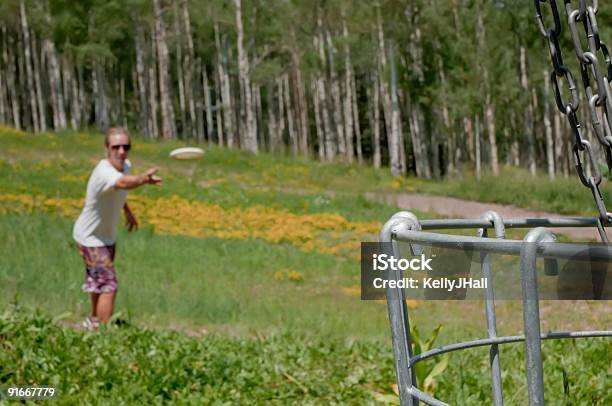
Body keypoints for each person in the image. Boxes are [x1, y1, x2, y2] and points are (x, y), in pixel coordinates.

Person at [73, 127, 162, 329]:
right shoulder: (103, 171)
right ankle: (104, 335)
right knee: (108, 284)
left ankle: (93, 321)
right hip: (89, 238)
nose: (121, 152)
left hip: (106, 237)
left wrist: (127, 211)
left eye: (126, 147)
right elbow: (121, 183)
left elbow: (117, 191)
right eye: (116, 147)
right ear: (107, 149)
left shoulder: (126, 165)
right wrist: (142, 180)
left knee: (99, 281)